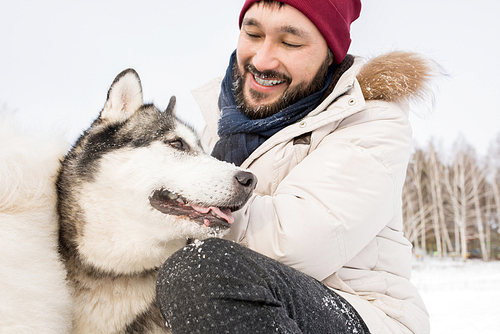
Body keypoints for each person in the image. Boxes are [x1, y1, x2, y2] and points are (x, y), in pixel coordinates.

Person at [156, 0, 433, 333]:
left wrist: (191, 198)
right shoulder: (222, 121)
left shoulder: (370, 119)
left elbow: (300, 242)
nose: (262, 60)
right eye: (253, 33)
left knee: (202, 269)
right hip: (262, 303)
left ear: (331, 53)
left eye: (290, 43)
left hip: (361, 313)